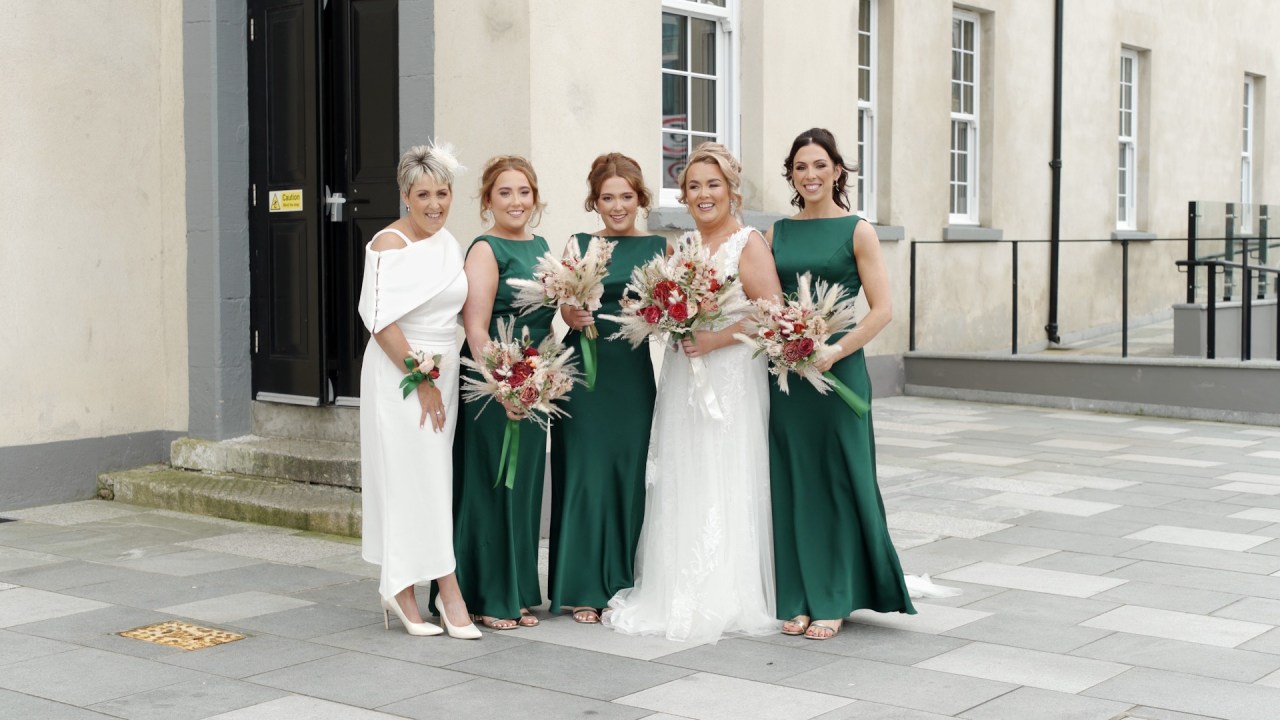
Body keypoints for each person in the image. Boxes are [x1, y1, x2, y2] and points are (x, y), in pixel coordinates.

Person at [604, 143, 784, 643]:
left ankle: (728, 588)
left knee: (725, 468)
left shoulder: (747, 243)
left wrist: (715, 337)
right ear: (683, 195)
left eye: (712, 184)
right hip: (685, 375)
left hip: (730, 376)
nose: (703, 194)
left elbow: (770, 313)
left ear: (731, 190)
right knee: (684, 469)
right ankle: (674, 584)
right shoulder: (682, 249)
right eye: (693, 186)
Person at [767, 128, 916, 640]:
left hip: (838, 369)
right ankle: (799, 596)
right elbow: (766, 302)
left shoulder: (858, 230)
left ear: (837, 171)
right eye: (801, 167)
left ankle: (833, 596)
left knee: (836, 478)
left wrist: (834, 349)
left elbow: (883, 310)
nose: (811, 175)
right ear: (791, 174)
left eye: (820, 165)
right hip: (788, 374)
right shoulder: (775, 234)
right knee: (795, 480)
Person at [357, 142, 480, 640]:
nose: (435, 205)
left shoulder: (448, 242)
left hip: (441, 371)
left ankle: (403, 583)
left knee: (429, 479)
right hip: (402, 374)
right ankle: (441, 589)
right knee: (413, 479)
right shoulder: (390, 244)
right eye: (424, 194)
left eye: (443, 193)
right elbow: (381, 322)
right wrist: (422, 381)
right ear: (406, 195)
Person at [549, 153, 666, 624]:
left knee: (627, 473)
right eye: (607, 198)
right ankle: (580, 586)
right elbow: (562, 307)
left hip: (632, 376)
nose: (617, 206)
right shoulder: (579, 244)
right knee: (585, 472)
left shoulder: (660, 247)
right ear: (594, 201)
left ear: (640, 198)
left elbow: (670, 312)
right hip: (583, 373)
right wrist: (570, 315)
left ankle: (620, 582)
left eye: (626, 197)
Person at [450, 156, 557, 631]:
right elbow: (475, 329)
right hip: (491, 383)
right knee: (492, 486)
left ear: (535, 198)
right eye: (505, 193)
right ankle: (486, 596)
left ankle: (514, 591)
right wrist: (504, 385)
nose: (516, 201)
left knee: (524, 487)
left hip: (535, 381)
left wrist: (539, 378)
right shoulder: (485, 250)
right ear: (488, 200)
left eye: (524, 192)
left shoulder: (542, 246)